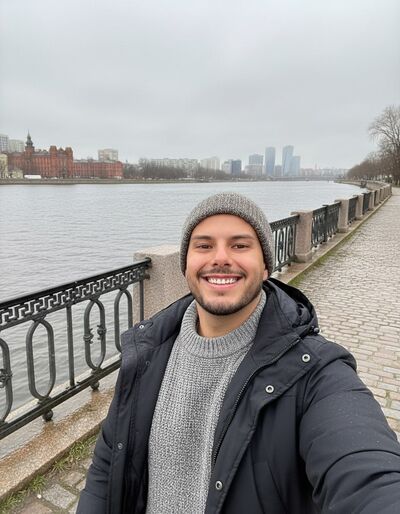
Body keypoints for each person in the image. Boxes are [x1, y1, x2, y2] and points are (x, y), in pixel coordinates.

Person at [77, 192, 400, 514]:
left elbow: (366, 474)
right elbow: (108, 466)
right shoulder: (147, 352)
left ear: (265, 265)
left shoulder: (315, 373)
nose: (220, 258)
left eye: (240, 245)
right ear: (185, 265)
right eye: (204, 246)